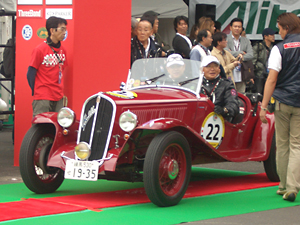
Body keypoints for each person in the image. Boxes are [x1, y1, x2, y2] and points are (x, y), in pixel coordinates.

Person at [260, 12, 300, 202]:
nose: (279, 32)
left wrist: (263, 105)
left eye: (280, 28)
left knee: (282, 144)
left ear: (286, 28)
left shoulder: (279, 48)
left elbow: (272, 78)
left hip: (283, 101)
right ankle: (293, 186)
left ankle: (284, 185)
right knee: (297, 144)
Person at [27, 16, 68, 117]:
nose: (64, 32)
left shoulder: (63, 50)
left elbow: (61, 70)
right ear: (52, 31)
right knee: (41, 127)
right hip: (43, 97)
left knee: (57, 127)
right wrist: (37, 91)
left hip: (58, 97)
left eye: (65, 29)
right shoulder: (39, 49)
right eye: (62, 29)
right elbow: (30, 73)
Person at [200, 55, 239, 121]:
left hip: (220, 120)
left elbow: (233, 105)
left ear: (219, 69)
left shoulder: (227, 84)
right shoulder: (196, 84)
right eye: (208, 66)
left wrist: (224, 110)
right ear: (202, 69)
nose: (212, 69)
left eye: (215, 66)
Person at [226, 18, 254, 92]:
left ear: (242, 28)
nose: (237, 28)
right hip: (230, 74)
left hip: (242, 74)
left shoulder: (246, 40)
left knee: (241, 97)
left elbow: (251, 54)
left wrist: (242, 58)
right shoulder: (226, 39)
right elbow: (226, 53)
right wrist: (240, 52)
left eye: (239, 27)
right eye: (235, 26)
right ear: (230, 28)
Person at [252, 28, 275, 95]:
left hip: (270, 74)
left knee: (269, 93)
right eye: (271, 35)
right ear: (265, 36)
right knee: (258, 94)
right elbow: (253, 61)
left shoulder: (274, 47)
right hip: (259, 74)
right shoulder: (258, 47)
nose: (274, 36)